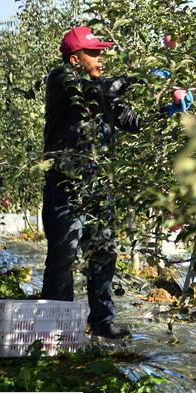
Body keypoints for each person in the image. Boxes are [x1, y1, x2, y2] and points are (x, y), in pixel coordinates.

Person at [40, 26, 144, 339]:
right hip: (66, 185)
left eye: (101, 51)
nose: (101, 57)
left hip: (98, 185)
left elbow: (132, 121)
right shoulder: (62, 79)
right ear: (75, 59)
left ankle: (102, 322)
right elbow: (97, 90)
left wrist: (167, 111)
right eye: (94, 52)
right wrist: (136, 78)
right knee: (63, 256)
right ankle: (57, 326)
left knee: (103, 252)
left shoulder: (101, 90)